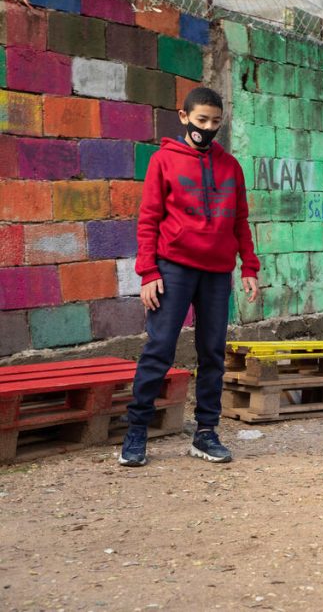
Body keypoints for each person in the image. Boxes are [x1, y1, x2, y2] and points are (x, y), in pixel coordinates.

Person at [119, 87, 261, 467]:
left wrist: (249, 266)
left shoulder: (231, 166)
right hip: (172, 269)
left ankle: (206, 433)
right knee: (159, 348)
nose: (208, 128)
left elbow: (240, 220)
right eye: (201, 120)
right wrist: (148, 272)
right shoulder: (163, 161)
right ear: (183, 117)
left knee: (212, 352)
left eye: (216, 122)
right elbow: (148, 219)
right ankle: (136, 433)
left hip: (217, 273)